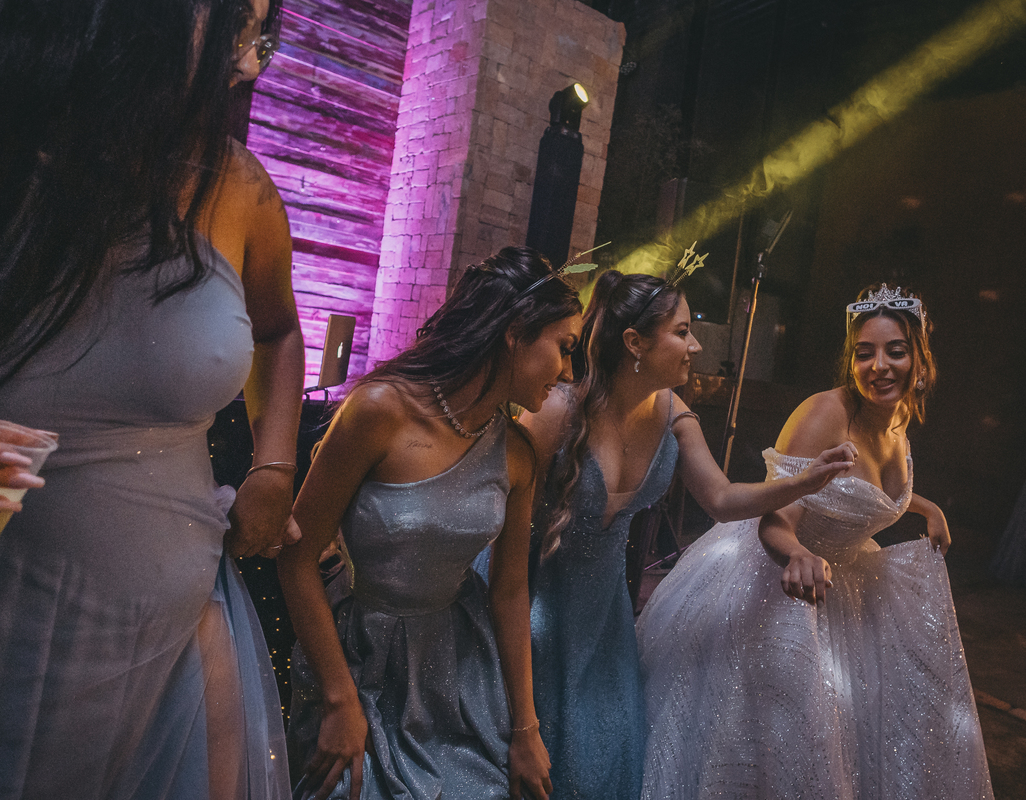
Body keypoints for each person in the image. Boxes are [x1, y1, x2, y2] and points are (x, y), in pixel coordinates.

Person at [0, 0, 301, 797]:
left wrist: (275, 466)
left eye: (261, 36)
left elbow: (279, 329)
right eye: (232, 25)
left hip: (168, 660)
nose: (248, 63)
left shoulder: (229, 180)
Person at [636, 285, 994, 799]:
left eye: (895, 351)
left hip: (843, 589)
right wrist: (798, 553)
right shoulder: (825, 413)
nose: (879, 366)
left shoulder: (897, 418)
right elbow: (775, 517)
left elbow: (860, 488)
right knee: (777, 740)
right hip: (770, 577)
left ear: (919, 359)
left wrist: (924, 506)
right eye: (864, 353)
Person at [519, 268, 856, 800]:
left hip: (604, 623)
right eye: (681, 331)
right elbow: (502, 528)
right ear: (635, 342)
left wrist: (804, 481)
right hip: (533, 605)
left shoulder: (674, 413)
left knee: (602, 761)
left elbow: (721, 499)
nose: (695, 345)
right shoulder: (555, 411)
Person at [278, 247, 583, 800]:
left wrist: (525, 729)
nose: (567, 372)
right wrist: (340, 701)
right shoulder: (378, 410)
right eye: (564, 347)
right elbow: (297, 559)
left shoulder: (517, 454)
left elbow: (510, 592)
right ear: (515, 332)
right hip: (358, 662)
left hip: (459, 668)